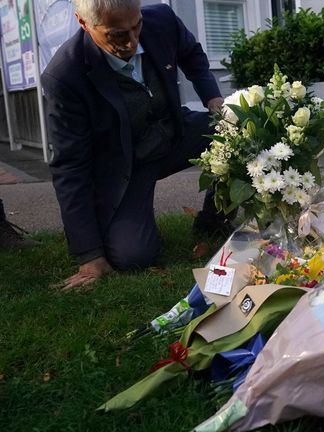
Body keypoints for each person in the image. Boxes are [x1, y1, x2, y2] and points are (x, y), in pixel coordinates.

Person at [42, 0, 229, 291]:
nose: (132, 41)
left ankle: (214, 220)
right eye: (117, 34)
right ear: (84, 23)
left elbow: (192, 54)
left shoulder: (162, 20)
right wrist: (89, 254)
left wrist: (212, 98)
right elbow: (70, 167)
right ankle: (126, 229)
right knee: (133, 255)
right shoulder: (65, 76)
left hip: (174, 134)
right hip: (125, 165)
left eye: (136, 25)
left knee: (236, 135)